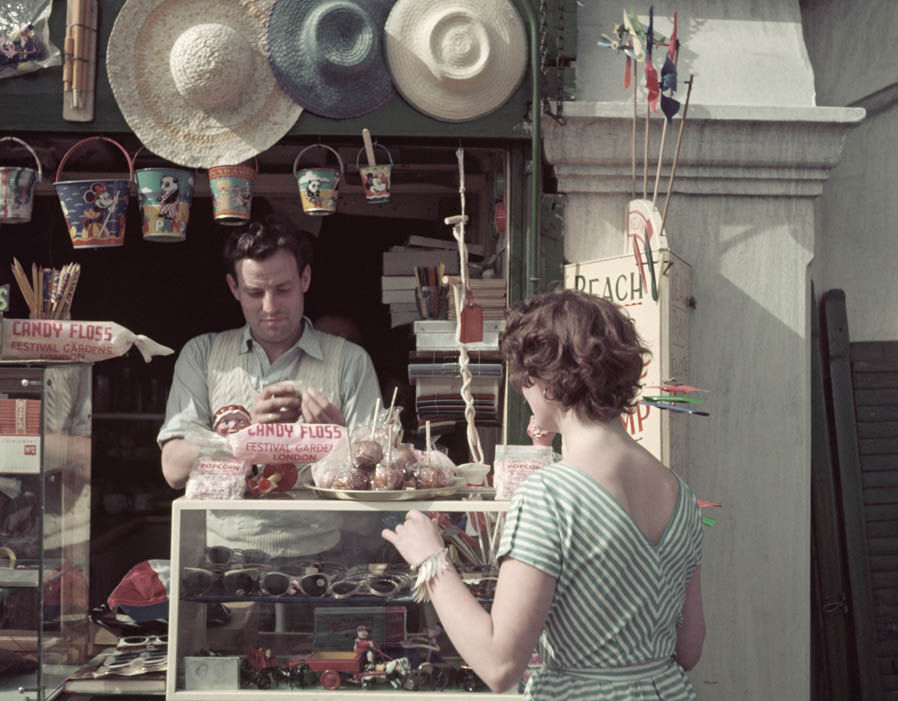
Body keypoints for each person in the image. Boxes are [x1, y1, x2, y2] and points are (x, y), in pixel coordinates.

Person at [382, 289, 705, 699]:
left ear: (545, 379)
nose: (522, 387)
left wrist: (431, 562)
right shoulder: (680, 494)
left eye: (524, 376)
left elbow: (500, 666)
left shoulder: (549, 495)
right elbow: (689, 648)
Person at [158, 216, 382, 556]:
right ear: (234, 288)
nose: (270, 306)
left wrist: (341, 440)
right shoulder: (203, 355)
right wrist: (246, 438)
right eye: (254, 292)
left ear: (305, 279)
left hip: (324, 555)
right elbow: (173, 469)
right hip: (223, 556)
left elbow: (380, 481)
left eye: (283, 289)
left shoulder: (349, 361)